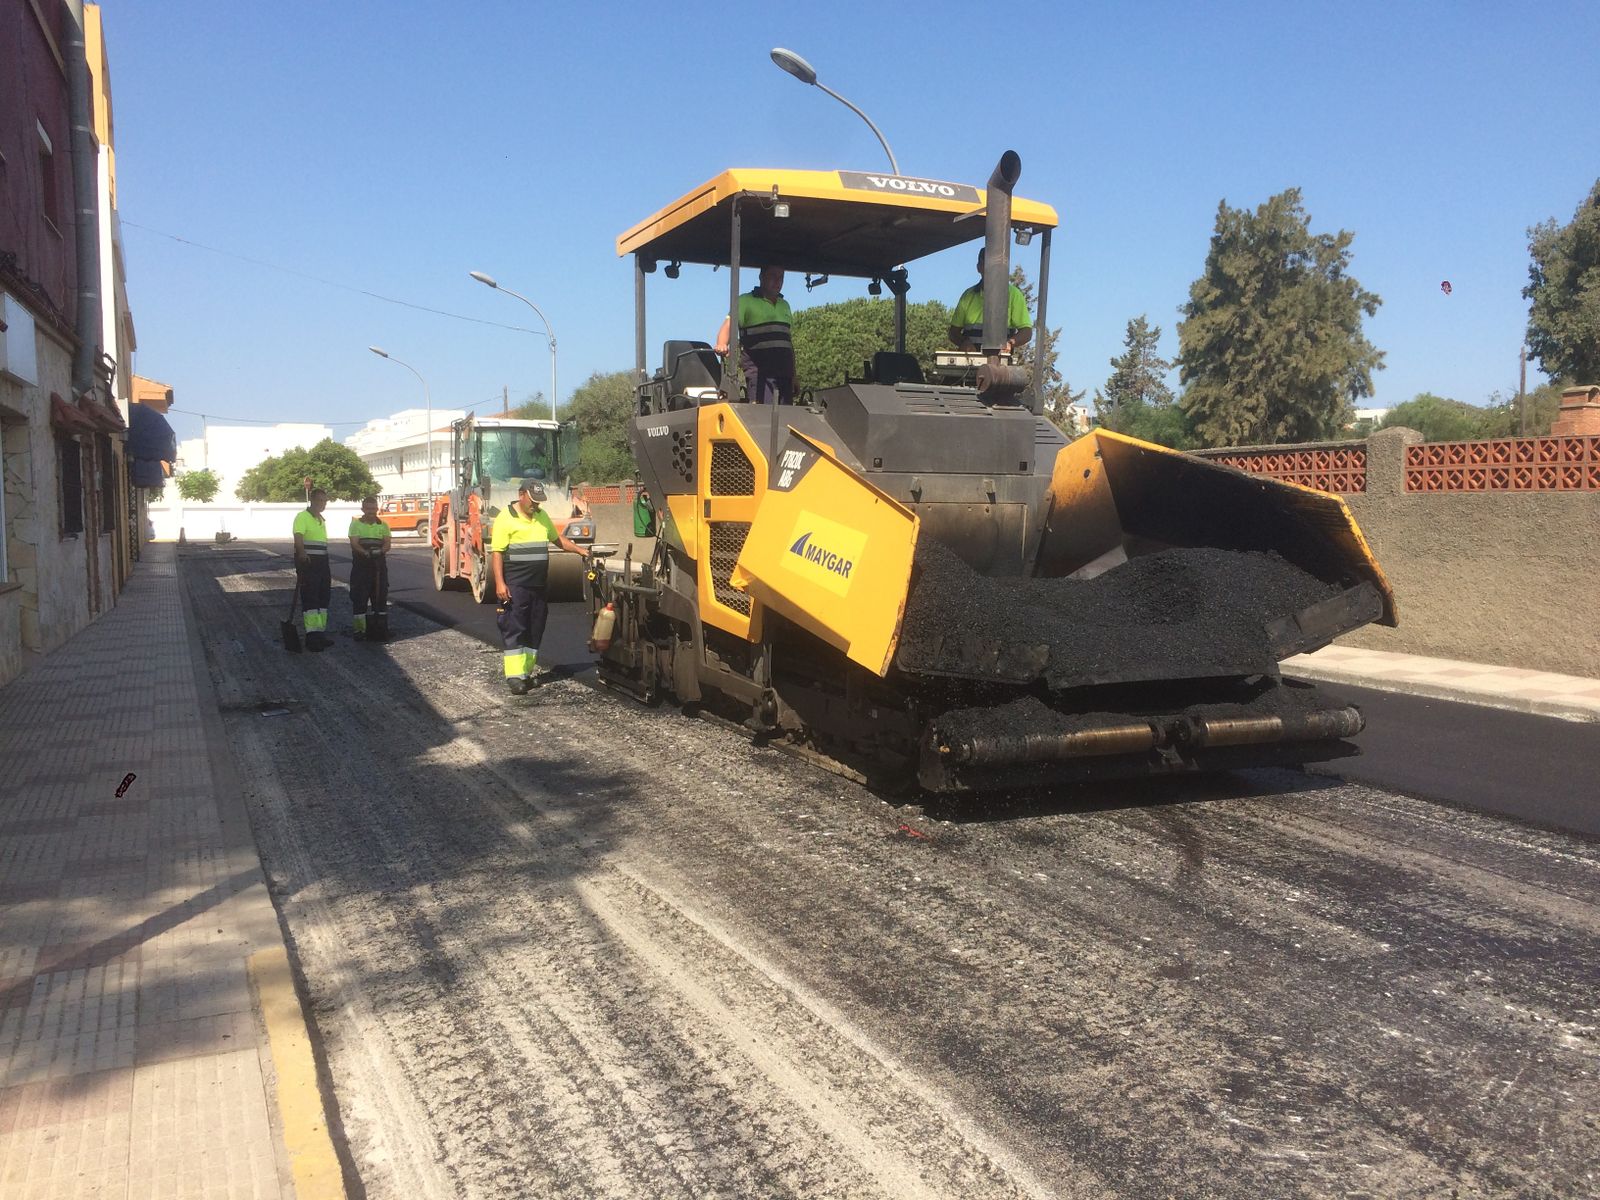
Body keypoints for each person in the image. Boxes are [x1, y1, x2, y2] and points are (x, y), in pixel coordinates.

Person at [492, 478, 591, 694]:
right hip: (516, 584)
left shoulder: (541, 516)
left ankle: (525, 674)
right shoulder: (505, 518)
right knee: (515, 627)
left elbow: (558, 540)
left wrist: (580, 550)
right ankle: (515, 677)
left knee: (535, 628)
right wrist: (500, 582)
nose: (536, 505)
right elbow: (497, 552)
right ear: (521, 495)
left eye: (538, 501)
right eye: (533, 501)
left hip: (538, 585)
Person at [714, 265, 796, 404]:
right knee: (763, 417)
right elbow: (729, 324)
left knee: (786, 418)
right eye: (773, 276)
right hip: (760, 373)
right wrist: (722, 343)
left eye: (781, 278)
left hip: (784, 373)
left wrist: (794, 376)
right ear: (761, 277)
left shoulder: (785, 305)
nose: (777, 281)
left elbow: (787, 343)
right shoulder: (745, 301)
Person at [948, 247, 1033, 353]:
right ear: (979, 267)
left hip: (1001, 364)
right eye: (986, 265)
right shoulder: (968, 295)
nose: (991, 269)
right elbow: (953, 333)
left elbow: (1026, 332)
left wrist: (1010, 343)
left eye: (994, 266)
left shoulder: (1014, 294)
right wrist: (964, 342)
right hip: (969, 364)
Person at [347, 495, 392, 642]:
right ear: (363, 509)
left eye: (373, 509)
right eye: (368, 509)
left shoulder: (383, 525)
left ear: (377, 509)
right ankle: (360, 630)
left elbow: (387, 544)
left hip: (379, 566)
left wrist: (380, 551)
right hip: (361, 566)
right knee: (360, 598)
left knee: (380, 597)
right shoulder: (356, 525)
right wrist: (365, 552)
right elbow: (354, 543)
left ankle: (380, 628)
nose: (371, 512)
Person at [292, 489, 332, 652]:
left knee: (323, 597)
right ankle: (311, 637)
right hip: (308, 562)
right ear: (312, 501)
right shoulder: (303, 516)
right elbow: (298, 536)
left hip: (322, 562)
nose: (322, 504)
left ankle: (320, 633)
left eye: (324, 501)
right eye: (319, 500)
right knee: (310, 598)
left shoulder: (321, 519)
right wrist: (302, 553)